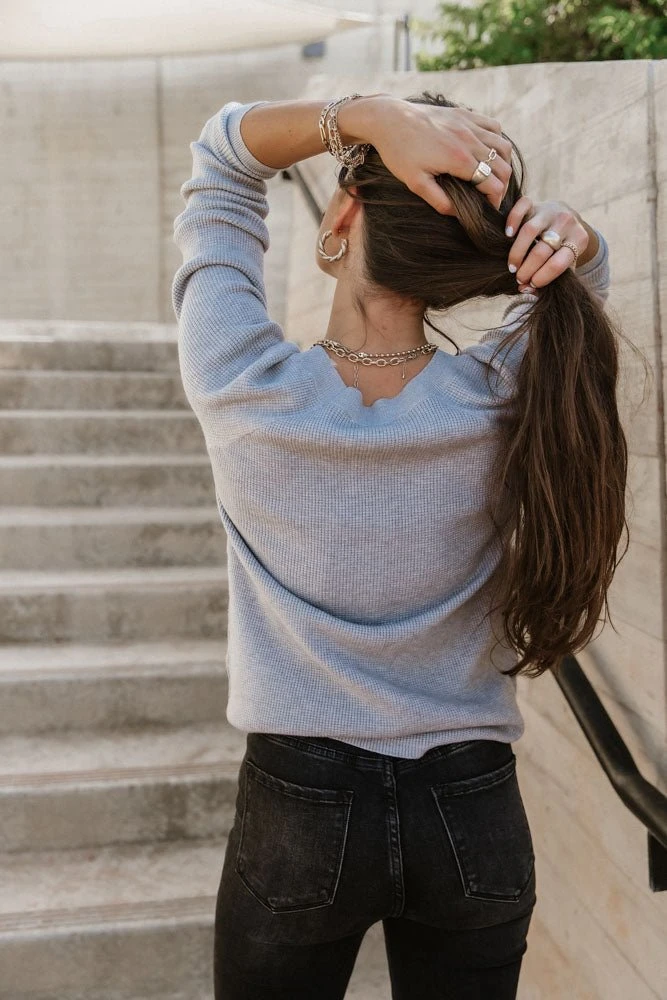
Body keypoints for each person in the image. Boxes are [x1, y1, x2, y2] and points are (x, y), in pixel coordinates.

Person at [171, 91, 629, 1000]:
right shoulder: (504, 396)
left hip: (297, 803)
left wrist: (361, 115)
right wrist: (577, 242)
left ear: (342, 215)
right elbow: (583, 282)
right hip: (471, 804)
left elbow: (223, 161)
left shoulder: (240, 383)